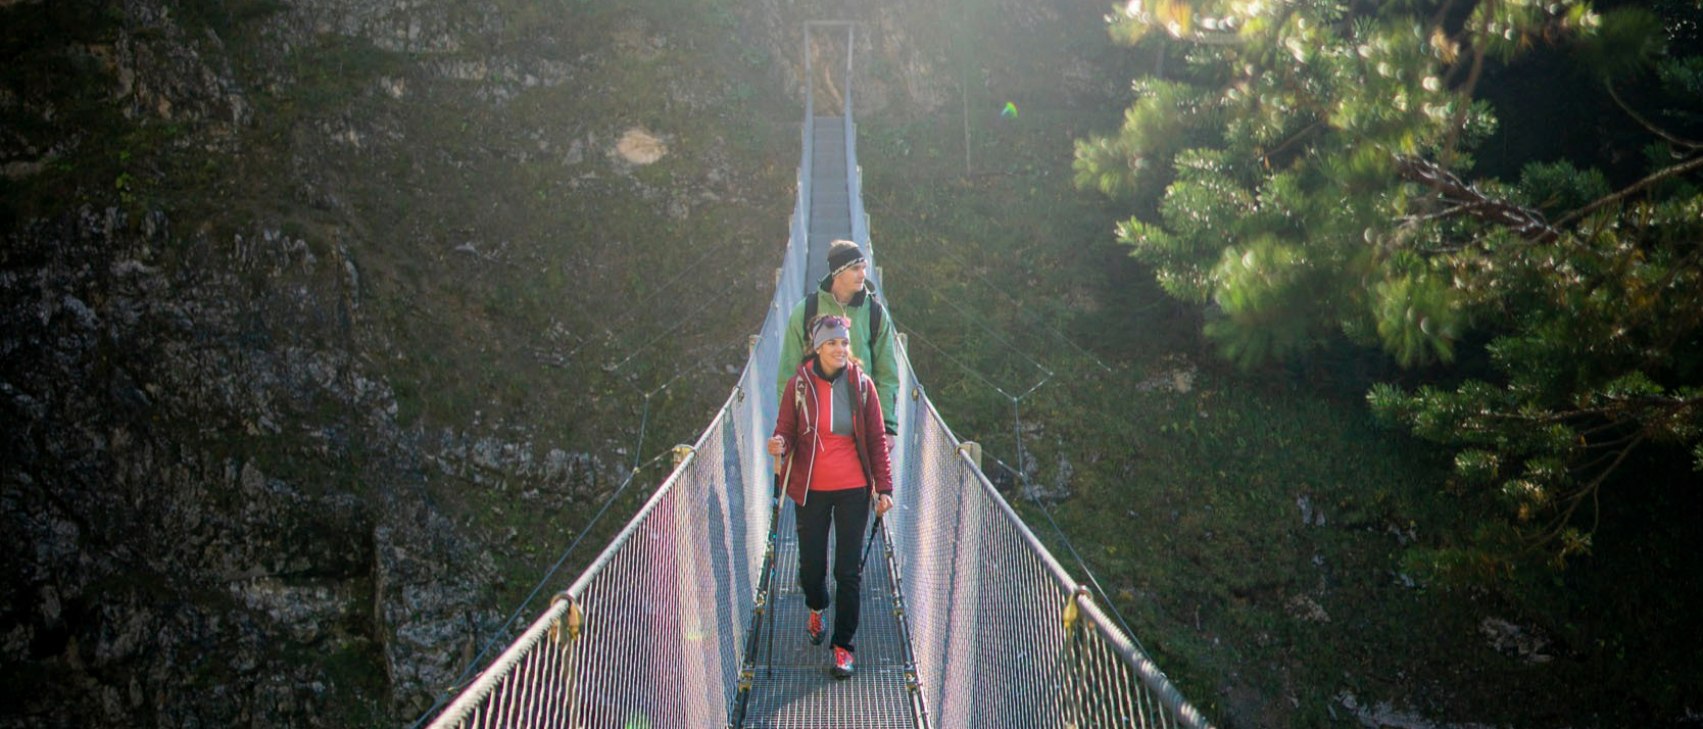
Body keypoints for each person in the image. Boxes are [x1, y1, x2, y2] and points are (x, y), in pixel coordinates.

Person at [767, 315, 895, 679]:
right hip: (810, 489)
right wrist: (778, 443)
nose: (840, 349)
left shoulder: (863, 386)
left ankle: (843, 647)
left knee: (848, 571)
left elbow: (876, 441)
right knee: (811, 567)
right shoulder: (799, 386)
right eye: (833, 343)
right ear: (818, 347)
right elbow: (786, 431)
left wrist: (883, 488)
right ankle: (816, 605)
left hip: (854, 487)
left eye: (844, 343)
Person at [777, 240, 900, 447]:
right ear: (837, 273)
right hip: (814, 424)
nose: (862, 274)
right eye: (855, 269)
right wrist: (788, 429)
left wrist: (887, 426)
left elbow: (887, 373)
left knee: (864, 480)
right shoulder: (806, 310)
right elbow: (788, 374)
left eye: (864, 268)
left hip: (862, 421)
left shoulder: (876, 314)